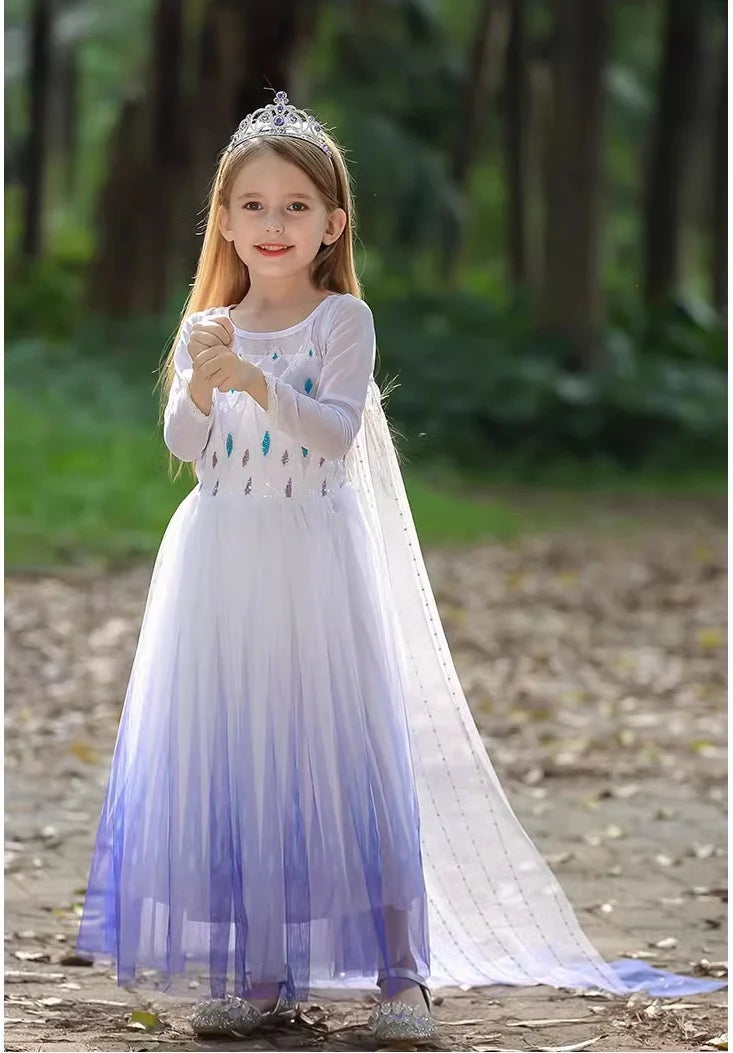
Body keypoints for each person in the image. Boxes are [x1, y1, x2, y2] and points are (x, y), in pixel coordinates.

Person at [75, 89, 726, 1044]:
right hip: (221, 556)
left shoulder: (343, 322)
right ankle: (260, 973)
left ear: (333, 223)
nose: (272, 224)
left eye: (296, 207)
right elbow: (185, 440)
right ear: (221, 217)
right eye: (252, 205)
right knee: (242, 749)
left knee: (341, 750)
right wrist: (204, 383)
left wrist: (257, 380)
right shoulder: (206, 325)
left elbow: (334, 435)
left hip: (313, 556)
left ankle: (400, 976)